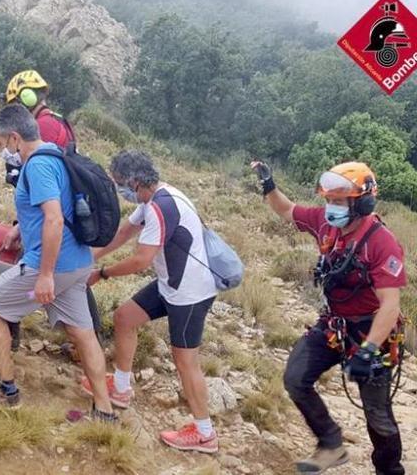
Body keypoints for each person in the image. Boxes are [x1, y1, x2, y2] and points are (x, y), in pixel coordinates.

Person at [251, 160, 406, 474]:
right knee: (295, 378)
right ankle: (331, 444)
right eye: (329, 200)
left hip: (371, 330)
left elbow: (390, 306)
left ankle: (389, 469)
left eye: (338, 201)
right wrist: (269, 185)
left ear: (362, 202)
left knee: (377, 413)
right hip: (334, 324)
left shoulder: (381, 242)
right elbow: (287, 210)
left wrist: (368, 350)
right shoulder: (325, 222)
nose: (331, 207)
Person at [0, 104, 115, 421]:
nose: (2, 152)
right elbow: (55, 209)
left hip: (52, 268)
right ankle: (104, 411)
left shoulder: (36, 166)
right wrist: (18, 229)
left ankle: (7, 390)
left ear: (14, 138)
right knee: (83, 334)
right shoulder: (55, 153)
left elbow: (53, 219)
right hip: (79, 263)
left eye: (1, 145)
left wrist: (45, 276)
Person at [86, 151, 219, 452]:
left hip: (190, 293)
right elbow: (125, 232)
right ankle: (120, 389)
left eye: (120, 184)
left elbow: (141, 260)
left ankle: (205, 433)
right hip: (171, 283)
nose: (119, 190)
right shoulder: (156, 197)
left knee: (185, 362)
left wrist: (102, 273)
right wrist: (92, 255)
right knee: (124, 318)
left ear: (134, 181)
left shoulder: (160, 208)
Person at [3, 70, 78, 348]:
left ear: (26, 97)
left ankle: (7, 329)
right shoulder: (60, 122)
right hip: (58, 215)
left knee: (27, 274)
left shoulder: (42, 128)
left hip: (48, 217)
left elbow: (41, 183)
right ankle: (82, 338)